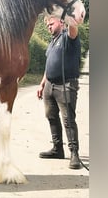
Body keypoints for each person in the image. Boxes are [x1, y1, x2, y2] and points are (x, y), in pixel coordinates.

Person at [36, 15, 81, 169]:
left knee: (68, 119)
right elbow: (49, 65)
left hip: (66, 84)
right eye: (47, 24)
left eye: (51, 23)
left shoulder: (69, 37)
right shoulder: (52, 42)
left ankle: (74, 154)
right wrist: (42, 84)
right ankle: (57, 149)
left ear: (61, 22)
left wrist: (68, 16)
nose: (48, 26)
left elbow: (73, 29)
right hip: (49, 85)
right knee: (51, 117)